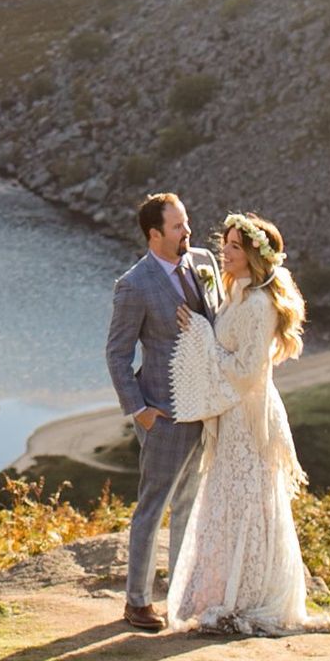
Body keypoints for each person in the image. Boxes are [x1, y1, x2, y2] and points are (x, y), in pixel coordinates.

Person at [162, 212, 330, 637]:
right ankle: (223, 591)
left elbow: (246, 369)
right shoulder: (236, 292)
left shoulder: (259, 305)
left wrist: (202, 334)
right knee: (227, 503)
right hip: (231, 413)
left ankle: (249, 597)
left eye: (235, 246)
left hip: (250, 417)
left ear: (255, 255)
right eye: (228, 243)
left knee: (249, 503)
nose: (226, 251)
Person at [103, 190, 219, 631]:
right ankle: (136, 602)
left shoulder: (202, 263)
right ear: (155, 235)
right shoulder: (134, 284)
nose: (187, 231)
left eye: (186, 223)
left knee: (190, 505)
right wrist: (140, 412)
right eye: (177, 226)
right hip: (163, 415)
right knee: (153, 508)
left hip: (204, 412)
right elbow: (116, 354)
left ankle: (181, 594)